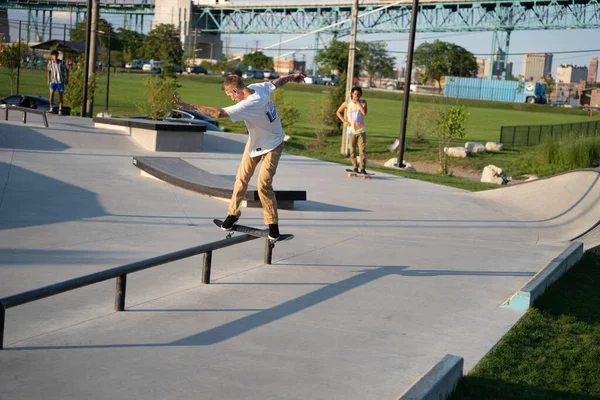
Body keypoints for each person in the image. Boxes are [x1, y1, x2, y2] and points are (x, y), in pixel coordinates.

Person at [173, 73, 305, 240]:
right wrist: (293, 76)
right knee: (241, 178)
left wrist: (190, 106)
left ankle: (273, 226)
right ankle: (232, 215)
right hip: (255, 142)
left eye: (230, 96)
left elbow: (218, 113)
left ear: (235, 91)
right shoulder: (258, 87)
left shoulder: (249, 104)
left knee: (263, 184)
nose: (232, 99)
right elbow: (276, 82)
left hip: (274, 144)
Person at [336, 86, 368, 174]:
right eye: (354, 94)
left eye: (358, 94)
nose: (356, 96)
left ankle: (362, 168)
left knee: (362, 151)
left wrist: (358, 103)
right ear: (351, 94)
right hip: (351, 130)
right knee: (353, 150)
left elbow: (364, 113)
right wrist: (344, 121)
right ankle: (355, 167)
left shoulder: (363, 102)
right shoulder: (347, 103)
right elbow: (338, 112)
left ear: (360, 94)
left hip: (361, 130)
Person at [47, 50, 69, 115]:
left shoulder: (62, 62)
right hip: (53, 81)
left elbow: (67, 69)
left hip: (60, 81)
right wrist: (48, 79)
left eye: (56, 55)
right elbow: (48, 71)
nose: (55, 57)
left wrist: (67, 79)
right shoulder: (50, 63)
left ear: (58, 55)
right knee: (51, 94)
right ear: (52, 56)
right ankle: (51, 108)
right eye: (53, 55)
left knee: (60, 96)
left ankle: (60, 109)